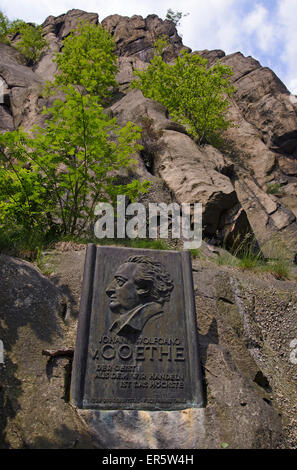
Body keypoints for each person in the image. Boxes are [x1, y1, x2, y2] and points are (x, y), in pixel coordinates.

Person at [105, 255, 174, 339]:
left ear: (143, 288)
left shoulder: (158, 321)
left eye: (119, 281)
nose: (109, 289)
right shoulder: (122, 322)